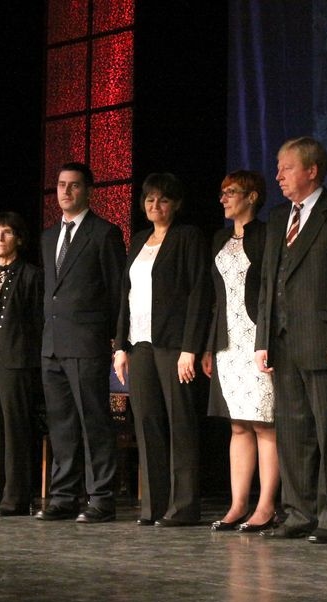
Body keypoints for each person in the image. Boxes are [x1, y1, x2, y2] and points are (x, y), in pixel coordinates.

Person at [254, 136, 327, 543]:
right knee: (292, 430)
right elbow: (269, 281)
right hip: (282, 339)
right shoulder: (279, 217)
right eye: (278, 168)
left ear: (312, 170)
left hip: (321, 338)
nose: (278, 176)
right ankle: (298, 512)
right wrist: (263, 338)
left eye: (286, 168)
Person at [114, 173, 211, 526]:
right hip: (139, 344)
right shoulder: (139, 239)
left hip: (173, 344)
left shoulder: (188, 237)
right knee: (147, 422)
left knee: (180, 422)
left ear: (177, 204)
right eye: (150, 199)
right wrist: (120, 346)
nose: (155, 205)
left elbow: (199, 292)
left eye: (164, 200)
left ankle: (183, 506)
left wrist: (190, 347)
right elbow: (125, 295)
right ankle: (153, 506)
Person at [38, 162, 126, 524]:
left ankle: (101, 497)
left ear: (89, 191)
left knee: (94, 422)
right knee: (60, 424)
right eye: (61, 185)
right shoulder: (48, 237)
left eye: (74, 185)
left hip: (87, 343)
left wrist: (118, 342)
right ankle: (63, 496)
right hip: (52, 345)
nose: (65, 191)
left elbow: (117, 292)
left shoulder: (104, 233)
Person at [202, 170, 278, 533]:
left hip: (256, 340)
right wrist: (208, 346)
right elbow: (215, 299)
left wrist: (267, 340)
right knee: (237, 424)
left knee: (263, 423)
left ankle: (266, 506)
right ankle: (237, 504)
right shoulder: (219, 238)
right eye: (222, 192)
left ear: (252, 196)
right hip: (227, 342)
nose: (223, 198)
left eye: (230, 192)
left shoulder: (266, 235)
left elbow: (270, 293)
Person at [0, 212, 44, 516]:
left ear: (18, 238)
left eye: (6, 232)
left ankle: (15, 498)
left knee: (15, 430)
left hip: (15, 362)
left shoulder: (31, 275)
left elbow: (38, 323)